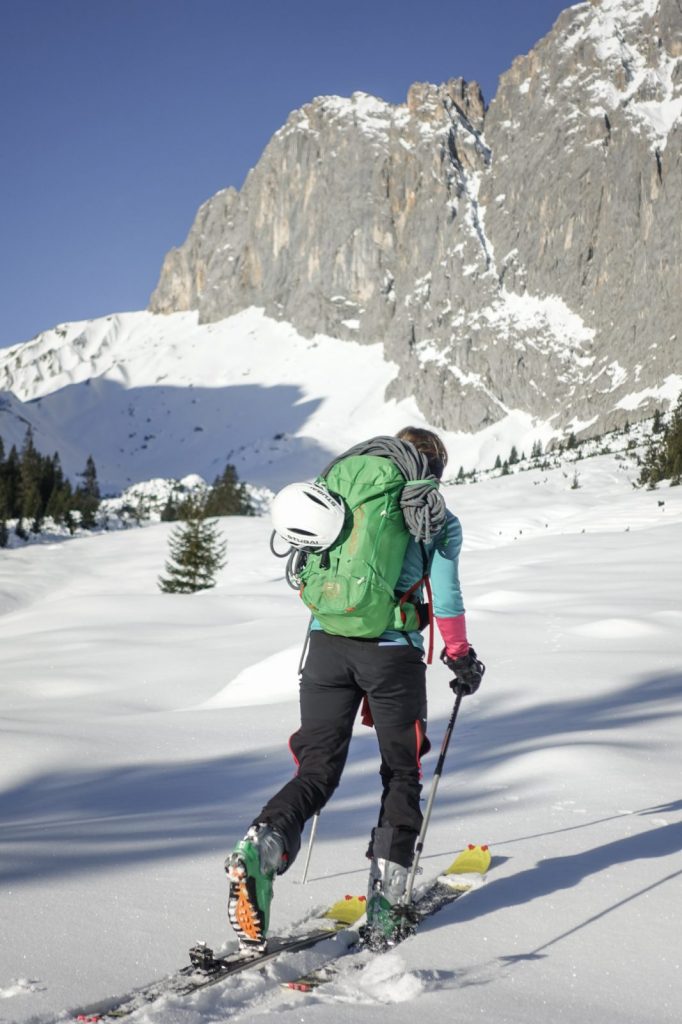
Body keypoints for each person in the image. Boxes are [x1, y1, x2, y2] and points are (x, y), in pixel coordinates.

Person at [225, 427, 484, 951]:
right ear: (433, 470)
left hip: (326, 646)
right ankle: (387, 905)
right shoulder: (433, 514)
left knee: (316, 770)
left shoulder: (342, 491)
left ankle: (264, 845)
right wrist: (460, 657)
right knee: (401, 771)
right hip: (392, 656)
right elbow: (447, 597)